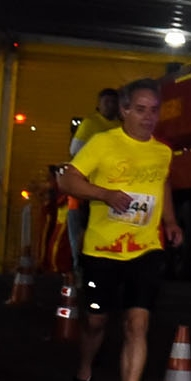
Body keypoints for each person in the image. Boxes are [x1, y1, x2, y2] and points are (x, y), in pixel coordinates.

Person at [59, 77, 180, 381]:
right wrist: (104, 194)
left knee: (137, 324)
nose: (148, 117)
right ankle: (84, 372)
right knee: (96, 322)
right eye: (140, 110)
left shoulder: (162, 152)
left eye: (154, 110)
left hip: (145, 249)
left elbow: (163, 184)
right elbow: (67, 180)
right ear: (125, 110)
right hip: (102, 249)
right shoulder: (102, 143)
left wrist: (171, 221)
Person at [63, 88, 120, 299]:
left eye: (114, 102)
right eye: (107, 102)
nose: (110, 106)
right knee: (81, 230)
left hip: (109, 189)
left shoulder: (119, 126)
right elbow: (74, 151)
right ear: (99, 103)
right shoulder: (90, 124)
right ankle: (80, 272)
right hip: (87, 190)